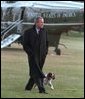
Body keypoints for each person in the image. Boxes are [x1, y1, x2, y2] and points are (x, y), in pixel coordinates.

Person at [23, 16, 48, 94]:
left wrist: (45, 52)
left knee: (35, 72)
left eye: (43, 22)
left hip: (42, 56)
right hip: (33, 56)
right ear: (37, 23)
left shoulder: (44, 31)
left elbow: (46, 43)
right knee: (37, 72)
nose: (43, 24)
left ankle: (28, 87)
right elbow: (25, 45)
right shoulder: (28, 32)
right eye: (41, 22)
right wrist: (31, 53)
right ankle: (42, 89)